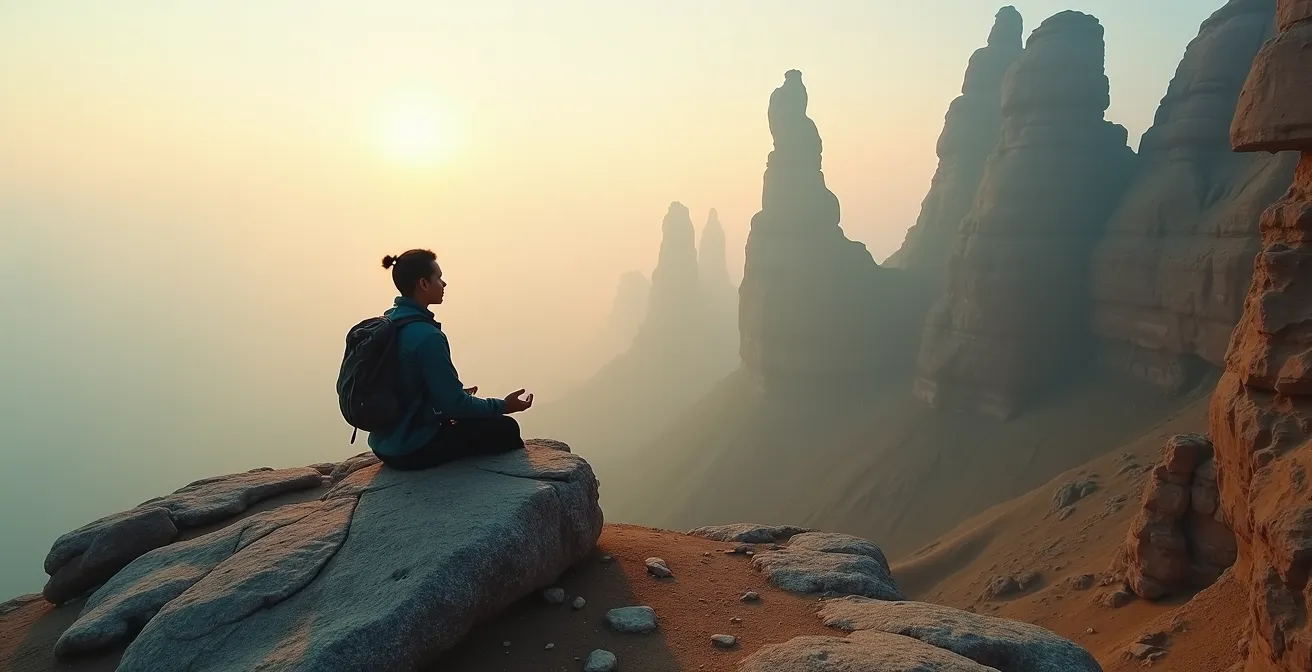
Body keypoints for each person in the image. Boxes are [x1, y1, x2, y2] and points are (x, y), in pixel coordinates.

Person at [367, 248, 534, 470]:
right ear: (423, 284)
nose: (444, 284)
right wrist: (504, 405)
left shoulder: (389, 323)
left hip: (382, 444)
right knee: (506, 429)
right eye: (439, 278)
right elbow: (455, 406)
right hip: (412, 448)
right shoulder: (428, 337)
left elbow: (407, 385)